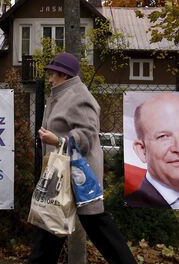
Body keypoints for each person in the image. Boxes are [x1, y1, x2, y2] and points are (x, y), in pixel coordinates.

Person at [29, 53, 136, 263]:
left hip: (78, 177)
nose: (50, 79)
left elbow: (87, 135)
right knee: (52, 227)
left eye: (53, 74)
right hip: (61, 176)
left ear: (64, 74)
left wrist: (57, 140)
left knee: (96, 225)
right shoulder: (61, 94)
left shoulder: (79, 96)